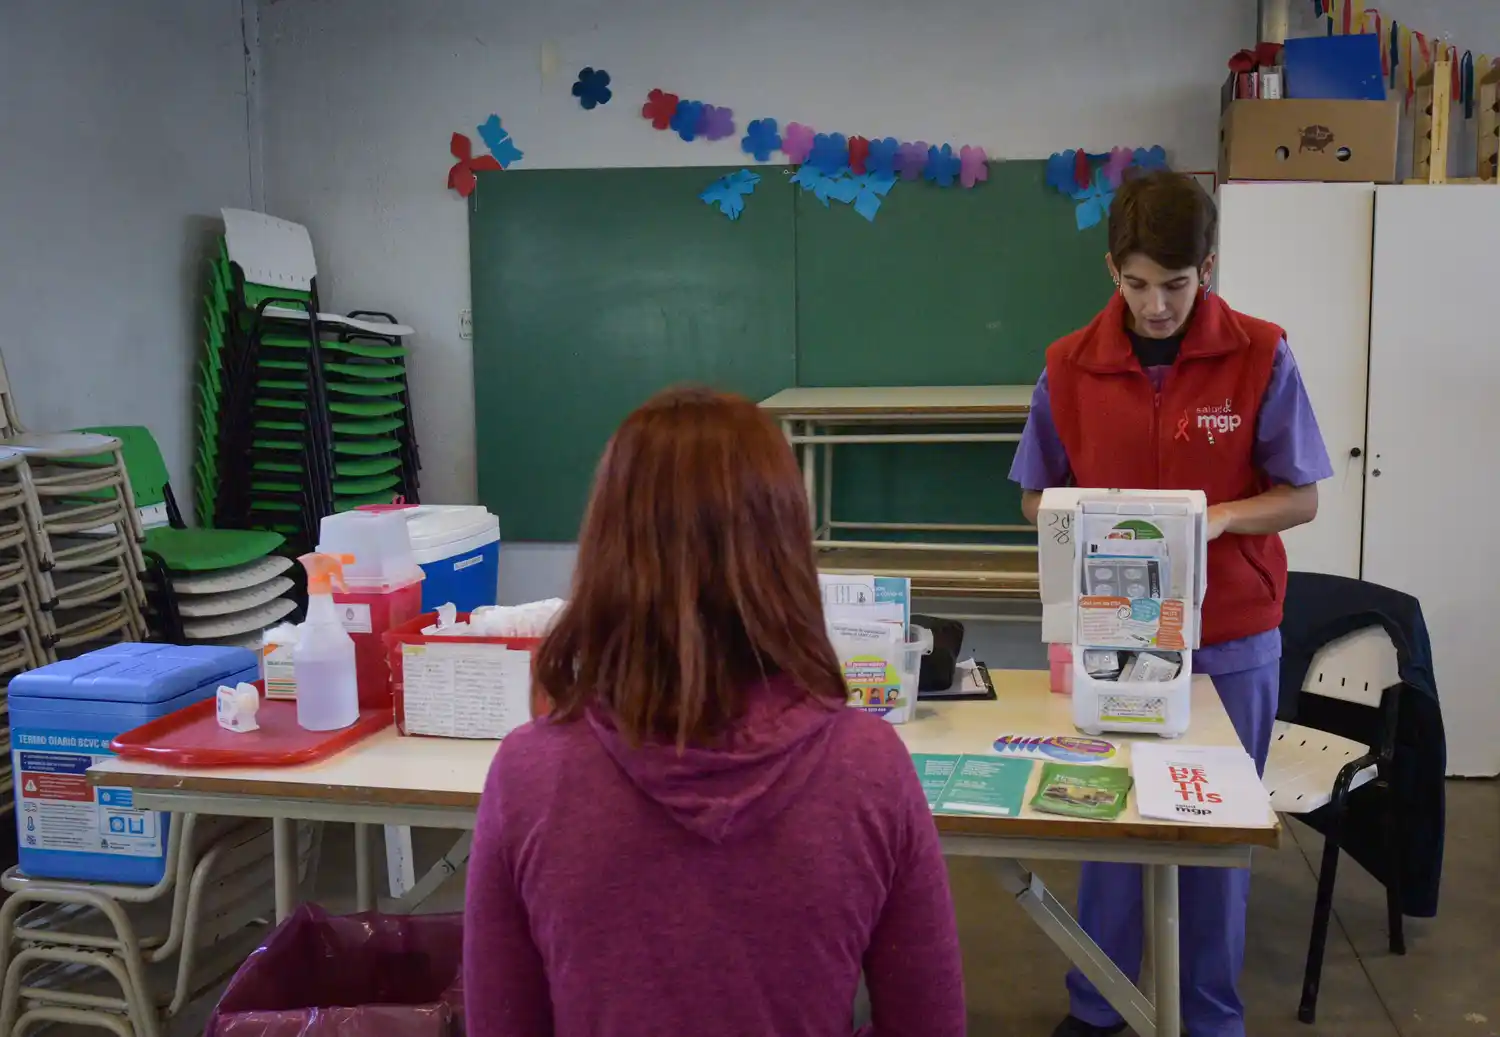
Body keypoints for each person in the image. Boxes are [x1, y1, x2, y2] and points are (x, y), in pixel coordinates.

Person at [464, 387, 966, 1037]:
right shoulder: (867, 765)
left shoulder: (529, 775)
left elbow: (499, 1022)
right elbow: (930, 1022)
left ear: (609, 548)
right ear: (784, 551)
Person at [1010, 171, 1332, 1037]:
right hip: (1112, 631)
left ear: (1209, 268)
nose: (1156, 306)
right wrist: (1100, 520)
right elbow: (1037, 497)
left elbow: (1301, 496)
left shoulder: (1262, 352)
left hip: (1230, 634)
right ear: (1112, 268)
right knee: (1110, 826)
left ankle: (1208, 1016)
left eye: (1177, 286)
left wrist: (1213, 517)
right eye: (1138, 283)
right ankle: (1099, 1007)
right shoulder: (1067, 364)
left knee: (1214, 844)